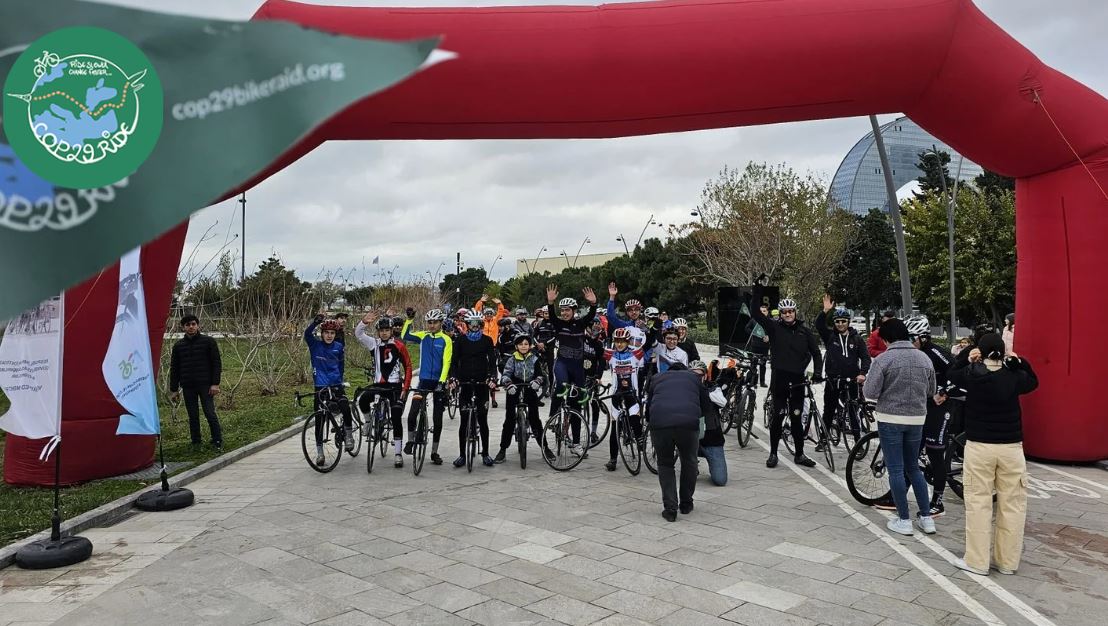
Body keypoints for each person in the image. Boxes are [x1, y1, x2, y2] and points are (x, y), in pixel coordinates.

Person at [948, 333, 1038, 576]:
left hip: (979, 447)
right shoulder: (1015, 376)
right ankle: (1008, 562)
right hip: (1011, 448)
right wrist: (1019, 361)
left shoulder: (972, 375)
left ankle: (977, 561)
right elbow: (1033, 381)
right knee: (1013, 505)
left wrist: (968, 355)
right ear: (1002, 351)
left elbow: (951, 372)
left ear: (982, 351)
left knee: (978, 503)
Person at [862, 318, 938, 536]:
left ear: (885, 339)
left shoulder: (883, 359)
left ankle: (904, 519)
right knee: (913, 467)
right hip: (916, 419)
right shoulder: (924, 358)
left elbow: (870, 392)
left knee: (895, 469)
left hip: (890, 419)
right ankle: (926, 518)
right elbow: (931, 390)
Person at [750, 279, 823, 469]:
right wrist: (757, 290)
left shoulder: (805, 331)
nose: (788, 314)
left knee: (797, 417)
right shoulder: (774, 328)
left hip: (798, 381)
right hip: (780, 379)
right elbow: (755, 313)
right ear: (781, 314)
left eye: (791, 311)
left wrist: (817, 373)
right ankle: (773, 453)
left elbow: (816, 353)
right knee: (779, 416)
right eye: (784, 312)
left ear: (795, 312)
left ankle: (799, 454)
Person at [646, 362, 714, 521]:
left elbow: (649, 406)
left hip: (660, 423)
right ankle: (686, 504)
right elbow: (707, 406)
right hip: (688, 425)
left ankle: (670, 509)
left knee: (665, 464)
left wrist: (652, 423)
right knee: (689, 461)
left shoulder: (656, 378)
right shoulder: (694, 379)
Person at [908, 316, 956, 517]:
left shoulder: (935, 352)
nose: (909, 342)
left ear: (923, 337)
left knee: (935, 453)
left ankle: (938, 501)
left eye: (912, 338)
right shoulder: (914, 354)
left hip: (941, 407)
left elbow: (958, 373)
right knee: (911, 452)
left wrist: (944, 391)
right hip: (923, 406)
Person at [545, 284, 599, 455]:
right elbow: (552, 315)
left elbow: (591, 315)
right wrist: (550, 303)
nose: (564, 313)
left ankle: (576, 443)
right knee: (561, 385)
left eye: (567, 310)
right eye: (563, 310)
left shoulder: (580, 323)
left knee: (577, 406)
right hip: (562, 363)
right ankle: (553, 418)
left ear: (574, 310)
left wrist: (593, 304)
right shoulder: (559, 324)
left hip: (577, 368)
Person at [355, 312, 413, 468]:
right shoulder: (374, 343)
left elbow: (408, 366)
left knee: (395, 416)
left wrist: (405, 388)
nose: (384, 333)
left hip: (394, 386)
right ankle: (368, 421)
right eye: (381, 330)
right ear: (378, 332)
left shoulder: (399, 345)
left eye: (387, 330)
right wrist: (363, 322)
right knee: (363, 399)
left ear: (391, 330)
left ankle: (398, 453)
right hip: (378, 384)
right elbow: (358, 334)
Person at [813, 296, 870, 453]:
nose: (840, 324)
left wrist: (863, 374)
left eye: (843, 321)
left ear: (848, 322)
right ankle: (823, 440)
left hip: (851, 380)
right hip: (833, 380)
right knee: (829, 410)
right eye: (837, 321)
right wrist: (825, 311)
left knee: (853, 411)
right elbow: (819, 325)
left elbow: (865, 358)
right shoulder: (830, 336)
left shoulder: (857, 339)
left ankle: (858, 442)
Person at [402, 308, 453, 465]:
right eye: (429, 322)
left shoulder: (446, 340)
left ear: (441, 323)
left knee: (437, 419)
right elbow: (405, 336)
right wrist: (409, 320)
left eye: (435, 322)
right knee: (412, 413)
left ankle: (434, 452)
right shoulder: (423, 336)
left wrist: (442, 382)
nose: (431, 325)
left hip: (439, 382)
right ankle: (410, 441)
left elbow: (447, 362)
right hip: (423, 381)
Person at [449, 312, 499, 467]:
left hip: (481, 383)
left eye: (478, 323)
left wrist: (492, 378)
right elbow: (454, 362)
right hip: (464, 382)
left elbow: (492, 363)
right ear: (467, 324)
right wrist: (453, 378)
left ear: (481, 324)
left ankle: (485, 453)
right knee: (464, 421)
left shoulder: (487, 340)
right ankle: (462, 455)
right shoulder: (460, 340)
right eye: (472, 323)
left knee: (483, 420)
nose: (475, 326)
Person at [304, 313, 355, 464]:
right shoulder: (315, 345)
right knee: (319, 419)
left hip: (335, 384)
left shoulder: (339, 347)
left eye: (332, 333)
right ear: (322, 333)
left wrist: (339, 380)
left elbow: (341, 365)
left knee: (345, 407)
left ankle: (348, 435)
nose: (329, 336)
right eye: (326, 332)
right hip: (320, 387)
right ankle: (320, 453)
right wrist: (315, 323)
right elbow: (307, 334)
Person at [169, 315, 223, 451]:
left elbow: (216, 363)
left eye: (193, 324)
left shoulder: (208, 342)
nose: (191, 327)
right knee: (192, 415)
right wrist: (174, 389)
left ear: (198, 325)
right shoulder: (178, 346)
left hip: (206, 385)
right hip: (188, 386)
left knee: (209, 413)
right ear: (183, 327)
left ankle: (217, 440)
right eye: (187, 325)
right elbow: (174, 368)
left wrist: (215, 384)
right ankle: (196, 441)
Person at [495, 334, 550, 463]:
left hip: (530, 388)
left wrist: (538, 381)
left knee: (535, 419)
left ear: (530, 345)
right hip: (514, 388)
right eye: (520, 344)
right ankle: (502, 450)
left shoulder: (535, 359)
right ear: (516, 346)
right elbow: (506, 374)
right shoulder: (512, 359)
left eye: (526, 344)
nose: (523, 346)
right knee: (509, 419)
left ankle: (545, 448)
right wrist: (508, 384)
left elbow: (541, 374)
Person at [604, 327, 645, 471]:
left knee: (635, 418)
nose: (619, 344)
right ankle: (613, 459)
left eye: (622, 341)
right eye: (617, 341)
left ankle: (640, 441)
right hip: (616, 394)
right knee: (616, 428)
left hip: (631, 393)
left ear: (628, 342)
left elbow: (649, 343)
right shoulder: (610, 355)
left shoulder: (636, 355)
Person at [690, 360, 727, 486]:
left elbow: (723, 402)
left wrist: (703, 391)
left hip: (712, 440)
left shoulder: (713, 388)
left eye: (699, 376)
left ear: (705, 375)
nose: (695, 379)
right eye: (692, 376)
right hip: (691, 441)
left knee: (720, 480)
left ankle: (712, 462)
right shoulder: (685, 390)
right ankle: (691, 464)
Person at [474, 294, 509, 407]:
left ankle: (493, 398)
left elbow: (501, 312)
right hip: (481, 347)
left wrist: (499, 304)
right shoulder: (481, 322)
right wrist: (481, 302)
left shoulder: (495, 321)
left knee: (493, 371)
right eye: (487, 314)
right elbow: (476, 311)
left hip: (493, 348)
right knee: (481, 370)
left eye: (490, 314)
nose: (489, 315)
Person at [744, 304, 770, 387]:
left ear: (767, 312)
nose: (762, 313)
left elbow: (775, 332)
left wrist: (769, 337)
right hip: (754, 346)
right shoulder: (754, 320)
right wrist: (754, 333)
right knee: (753, 364)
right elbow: (746, 328)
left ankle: (762, 382)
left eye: (764, 311)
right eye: (761, 311)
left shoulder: (770, 321)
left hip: (764, 347)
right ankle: (752, 382)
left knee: (763, 365)